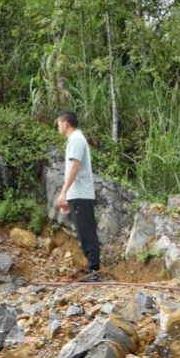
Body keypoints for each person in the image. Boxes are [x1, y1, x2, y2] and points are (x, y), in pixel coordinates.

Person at [55, 110, 102, 282]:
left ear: (65, 123)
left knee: (86, 232)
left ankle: (94, 271)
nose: (58, 127)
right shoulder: (76, 139)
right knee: (84, 232)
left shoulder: (76, 140)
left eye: (58, 124)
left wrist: (63, 192)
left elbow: (75, 166)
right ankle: (93, 270)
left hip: (81, 194)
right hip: (79, 194)